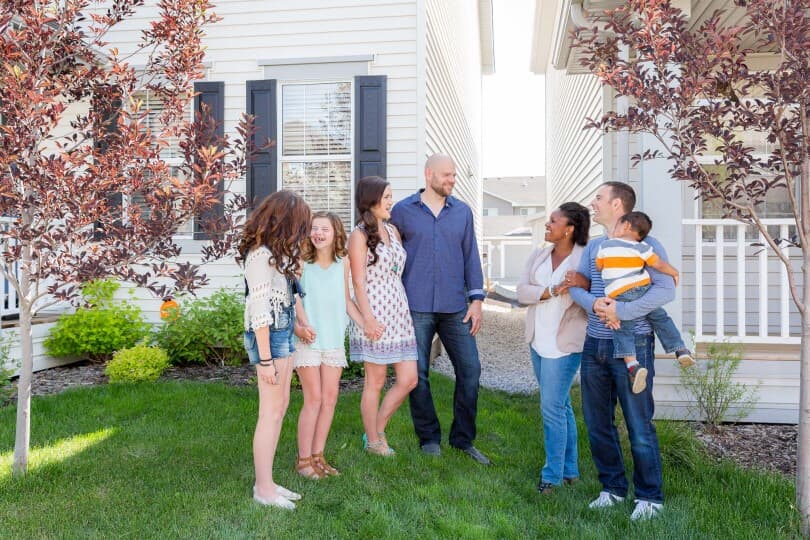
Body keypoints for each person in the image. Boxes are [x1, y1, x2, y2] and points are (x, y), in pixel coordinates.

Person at [566, 181, 671, 521]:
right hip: (595, 345)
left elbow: (664, 290)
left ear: (618, 206)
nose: (592, 204)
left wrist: (620, 312)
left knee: (639, 424)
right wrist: (595, 302)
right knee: (598, 423)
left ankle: (649, 497)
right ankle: (612, 488)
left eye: (598, 198)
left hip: (634, 346)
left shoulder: (647, 244)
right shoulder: (595, 245)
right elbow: (578, 286)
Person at [390, 154, 490, 465]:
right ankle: (429, 437)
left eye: (454, 175)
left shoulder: (462, 212)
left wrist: (476, 300)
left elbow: (470, 255)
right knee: (417, 374)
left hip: (454, 306)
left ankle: (463, 439)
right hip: (415, 305)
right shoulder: (402, 211)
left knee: (471, 370)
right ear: (429, 174)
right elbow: (391, 255)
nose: (451, 180)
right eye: (446, 175)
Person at [240, 191, 311, 511]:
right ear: (285, 222)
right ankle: (263, 489)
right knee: (269, 411)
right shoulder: (259, 256)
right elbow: (258, 311)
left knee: (280, 406)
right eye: (301, 225)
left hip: (281, 331)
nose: (304, 232)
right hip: (268, 337)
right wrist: (266, 360)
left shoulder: (277, 256)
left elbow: (283, 302)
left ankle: (267, 481)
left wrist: (298, 327)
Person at [516, 202, 590, 494]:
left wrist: (580, 283)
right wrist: (547, 292)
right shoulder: (539, 254)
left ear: (569, 229)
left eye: (553, 221)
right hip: (538, 339)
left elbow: (596, 292)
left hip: (566, 343)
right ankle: (570, 470)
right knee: (560, 406)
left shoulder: (585, 259)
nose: (547, 225)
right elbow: (522, 292)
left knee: (550, 408)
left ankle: (552, 476)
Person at [348, 176, 418, 456]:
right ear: (371, 200)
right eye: (386, 196)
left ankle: (374, 430)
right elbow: (357, 282)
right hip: (374, 312)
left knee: (409, 379)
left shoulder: (393, 231)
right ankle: (375, 442)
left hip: (399, 312)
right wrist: (367, 319)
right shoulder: (358, 235)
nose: (391, 201)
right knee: (375, 382)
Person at [293, 212, 365, 478]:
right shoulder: (302, 262)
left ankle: (317, 455)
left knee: (330, 399)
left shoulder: (343, 263)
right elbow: (293, 296)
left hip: (333, 339)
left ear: (335, 233)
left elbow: (346, 300)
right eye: (314, 229)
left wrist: (366, 323)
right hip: (309, 339)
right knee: (313, 399)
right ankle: (303, 462)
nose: (318, 233)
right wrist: (302, 324)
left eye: (324, 229)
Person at [594, 211, 695, 394]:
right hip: (642, 290)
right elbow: (659, 265)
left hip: (620, 295)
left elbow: (599, 266)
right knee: (661, 318)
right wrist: (674, 272)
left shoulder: (605, 246)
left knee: (622, 331)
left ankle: (633, 366)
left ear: (625, 226)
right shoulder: (642, 247)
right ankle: (681, 350)